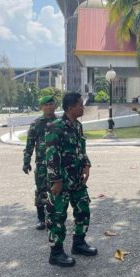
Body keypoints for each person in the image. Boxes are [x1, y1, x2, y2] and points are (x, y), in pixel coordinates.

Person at [45, 92, 97, 267]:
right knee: (57, 215)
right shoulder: (55, 127)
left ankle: (79, 243)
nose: (83, 107)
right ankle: (56, 253)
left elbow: (81, 148)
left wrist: (86, 165)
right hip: (61, 180)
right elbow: (51, 156)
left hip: (77, 179)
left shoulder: (78, 126)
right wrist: (56, 180)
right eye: (80, 105)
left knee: (83, 209)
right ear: (70, 107)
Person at [23, 95, 58, 230]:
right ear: (41, 107)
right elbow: (29, 144)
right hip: (42, 164)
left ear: (55, 106)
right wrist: (26, 162)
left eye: (51, 104)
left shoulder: (60, 122)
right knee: (41, 190)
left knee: (57, 190)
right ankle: (41, 218)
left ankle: (55, 217)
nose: (49, 106)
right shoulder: (36, 124)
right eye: (46, 104)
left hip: (57, 163)